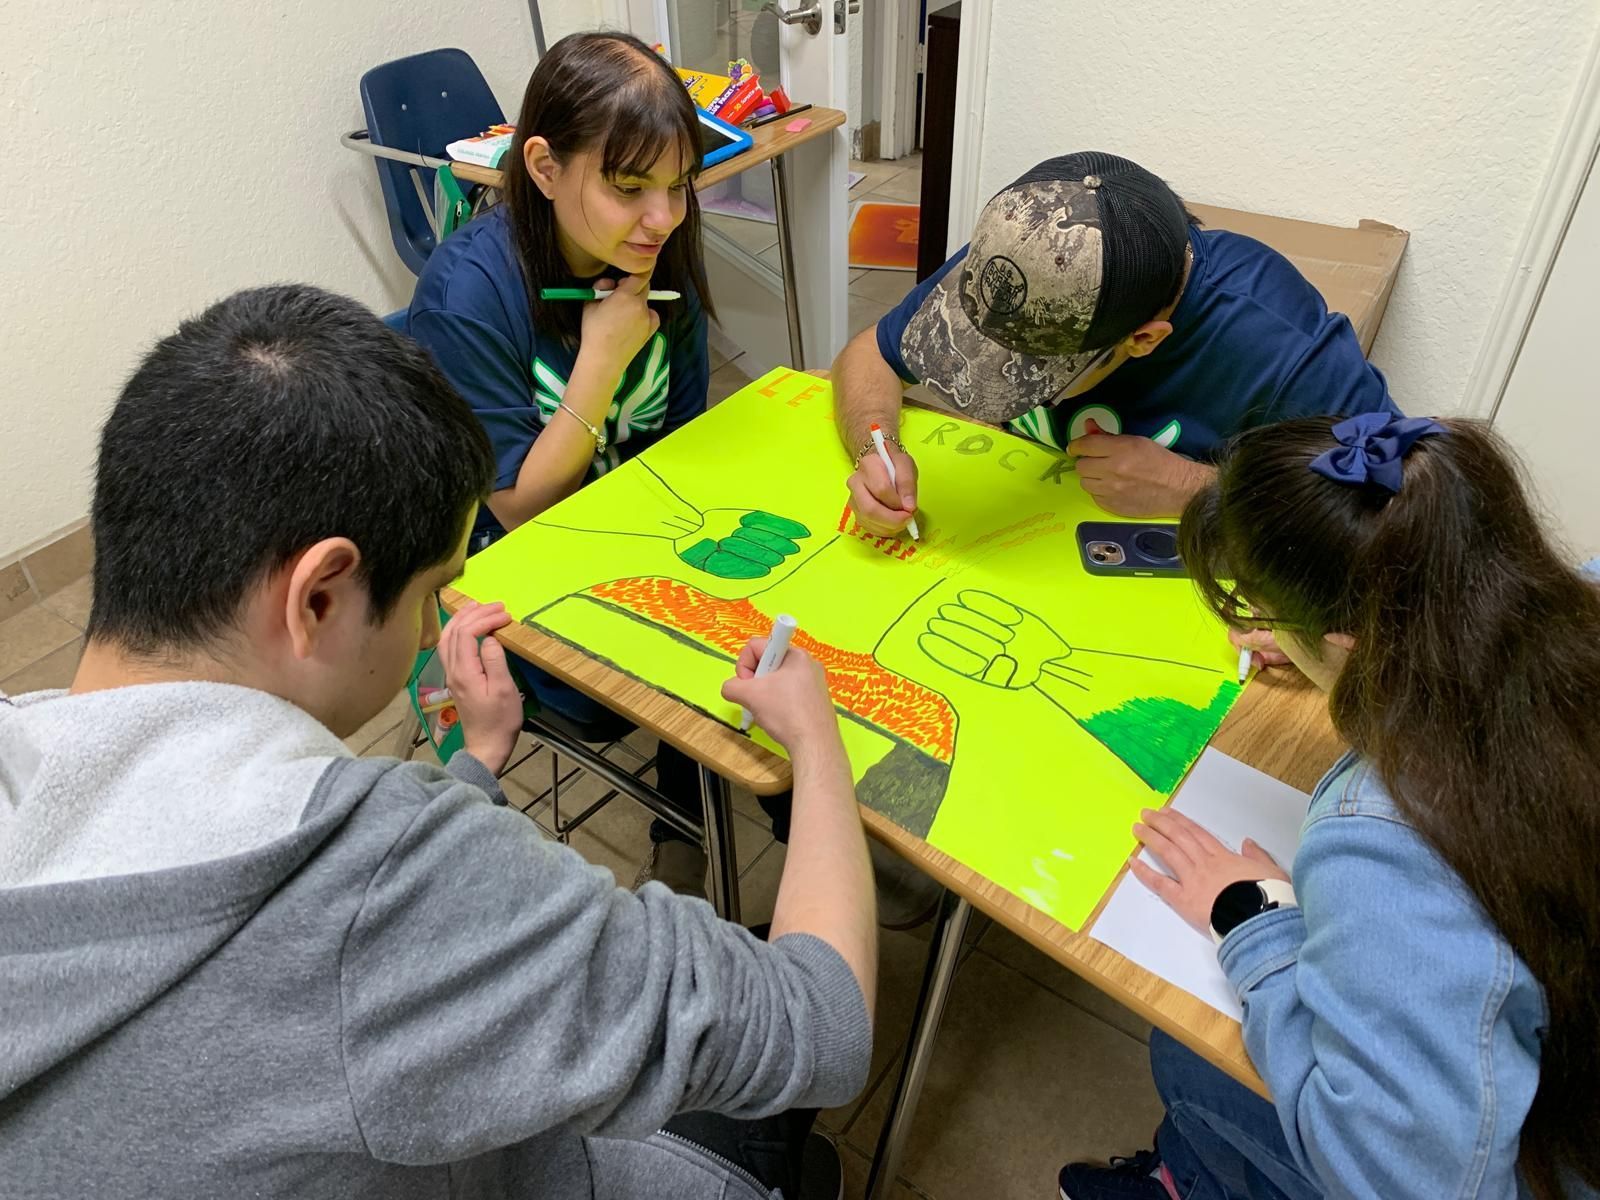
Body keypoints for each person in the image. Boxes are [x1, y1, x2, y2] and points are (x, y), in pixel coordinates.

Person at [0, 285, 876, 1200]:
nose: (428, 634)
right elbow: (820, 1025)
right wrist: (816, 746)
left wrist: (473, 766)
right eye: (429, 593)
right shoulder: (392, 882)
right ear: (320, 598)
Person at [1058, 413, 1600, 1200]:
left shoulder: (1388, 837)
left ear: (1345, 636)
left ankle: (1193, 1180)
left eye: (1268, 612)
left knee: (1186, 1053)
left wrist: (1256, 921)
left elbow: (1420, 1182)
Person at [406, 30, 722, 894]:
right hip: (516, 575)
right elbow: (520, 511)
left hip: (632, 537)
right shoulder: (471, 290)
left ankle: (744, 816)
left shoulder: (656, 255)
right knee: (691, 671)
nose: (664, 218)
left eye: (679, 185)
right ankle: (697, 821)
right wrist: (601, 360)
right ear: (543, 167)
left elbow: (683, 447)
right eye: (628, 189)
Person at [833, 151, 1398, 533]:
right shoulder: (1030, 249)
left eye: (1034, 366)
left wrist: (1195, 488)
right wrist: (877, 447)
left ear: (1144, 340)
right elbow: (872, 353)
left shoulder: (1278, 344)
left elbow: (1398, 511)